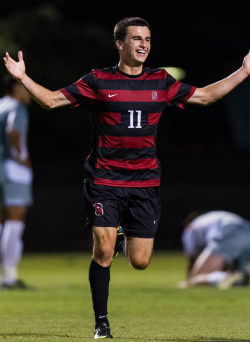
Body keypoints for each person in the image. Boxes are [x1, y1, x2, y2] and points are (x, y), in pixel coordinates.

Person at [3, 16, 250, 338]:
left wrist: (244, 71)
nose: (143, 44)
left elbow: (205, 96)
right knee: (103, 252)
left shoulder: (160, 82)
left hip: (145, 182)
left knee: (140, 261)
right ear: (120, 44)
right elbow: (51, 100)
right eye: (136, 38)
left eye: (147, 39)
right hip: (104, 179)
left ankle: (119, 233)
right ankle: (101, 323)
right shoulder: (98, 80)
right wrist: (23, 77)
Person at [0, 74, 33, 289]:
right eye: (25, 87)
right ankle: (9, 276)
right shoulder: (16, 107)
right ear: (15, 88)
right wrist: (22, 157)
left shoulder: (1, 105)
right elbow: (13, 130)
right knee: (15, 219)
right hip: (12, 168)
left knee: (2, 221)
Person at [180, 210, 250, 289]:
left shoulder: (190, 228)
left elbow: (191, 257)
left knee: (196, 278)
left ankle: (227, 277)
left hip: (229, 231)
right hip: (247, 229)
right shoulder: (210, 218)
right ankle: (239, 275)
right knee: (242, 271)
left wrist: (189, 280)